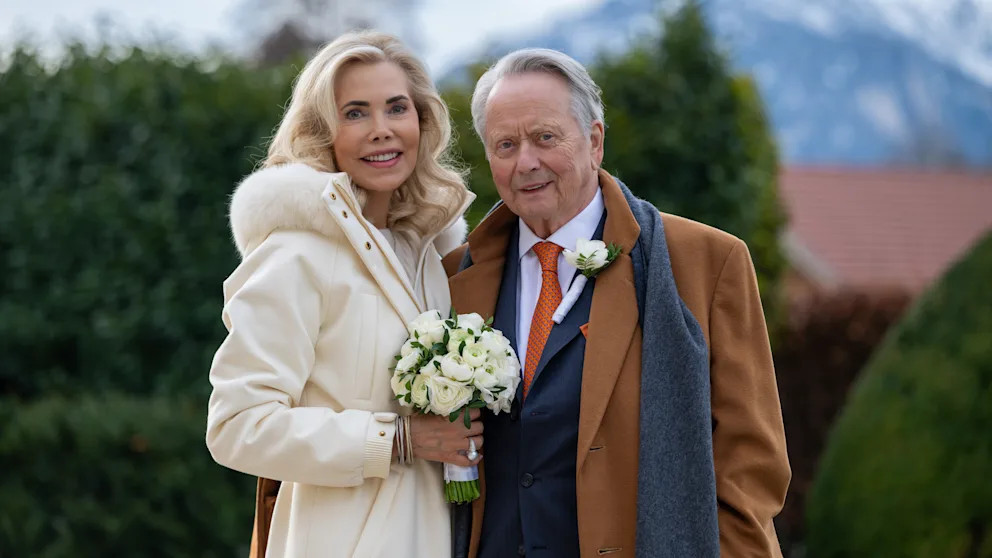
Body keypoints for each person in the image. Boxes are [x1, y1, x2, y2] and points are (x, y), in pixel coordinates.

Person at [441, 48, 791, 557]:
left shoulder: (707, 263)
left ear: (595, 141)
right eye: (505, 145)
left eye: (545, 138)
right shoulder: (454, 277)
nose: (526, 162)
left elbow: (751, 467)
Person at [205, 31, 481, 558]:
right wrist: (398, 440)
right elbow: (237, 426)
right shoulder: (295, 253)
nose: (382, 130)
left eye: (396, 108)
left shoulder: (428, 253)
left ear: (421, 121)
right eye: (355, 113)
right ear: (322, 133)